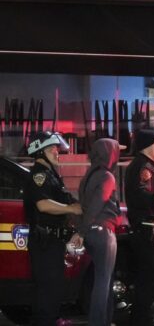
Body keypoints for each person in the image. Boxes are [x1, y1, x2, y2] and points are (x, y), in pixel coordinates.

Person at [23, 131, 82, 326]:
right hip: (44, 243)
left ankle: (52, 319)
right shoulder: (39, 175)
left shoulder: (51, 175)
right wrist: (71, 208)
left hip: (52, 242)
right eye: (51, 149)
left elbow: (64, 202)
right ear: (39, 152)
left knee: (53, 289)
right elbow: (43, 205)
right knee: (48, 291)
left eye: (57, 148)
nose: (57, 152)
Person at [79, 138, 124, 326]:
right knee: (103, 282)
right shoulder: (107, 176)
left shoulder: (88, 175)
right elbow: (97, 205)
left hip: (92, 232)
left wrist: (82, 231)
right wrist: (81, 231)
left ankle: (104, 320)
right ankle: (98, 322)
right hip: (103, 232)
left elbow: (85, 205)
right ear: (110, 153)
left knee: (102, 279)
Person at [124, 129, 154, 325]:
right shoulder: (143, 167)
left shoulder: (146, 165)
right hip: (147, 230)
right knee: (148, 280)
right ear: (149, 146)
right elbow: (143, 196)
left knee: (149, 279)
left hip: (148, 229)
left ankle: (142, 318)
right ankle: (142, 319)